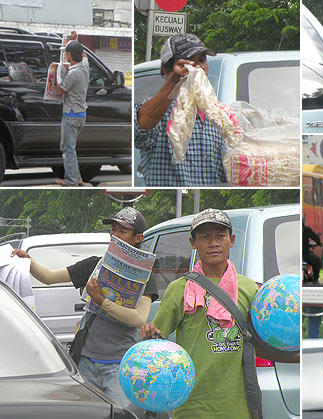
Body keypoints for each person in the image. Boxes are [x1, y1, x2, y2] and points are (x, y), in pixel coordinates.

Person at [140, 208, 298, 418]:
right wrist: (149, 338)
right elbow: (158, 347)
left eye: (220, 236)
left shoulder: (249, 289)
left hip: (237, 408)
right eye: (205, 237)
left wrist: (299, 356)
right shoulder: (180, 289)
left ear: (231, 240)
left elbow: (260, 346)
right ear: (193, 243)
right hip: (191, 408)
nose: (213, 243)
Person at [11, 207, 158, 409]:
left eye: (122, 232)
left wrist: (101, 301)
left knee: (121, 414)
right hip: (85, 362)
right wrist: (29, 262)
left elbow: (139, 319)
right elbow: (49, 277)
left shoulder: (146, 276)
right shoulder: (94, 265)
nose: (114, 236)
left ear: (138, 237)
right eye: (112, 230)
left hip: (120, 366)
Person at [134, 34, 227, 186]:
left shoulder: (218, 114)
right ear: (166, 71)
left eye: (202, 60)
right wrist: (175, 81)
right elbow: (141, 126)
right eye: (190, 62)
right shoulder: (159, 113)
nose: (199, 68)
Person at [54, 40, 90, 187]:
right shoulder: (85, 66)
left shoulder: (73, 73)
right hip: (81, 114)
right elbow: (85, 54)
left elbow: (61, 90)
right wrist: (75, 39)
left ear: (69, 55)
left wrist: (55, 73)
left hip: (71, 114)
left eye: (66, 53)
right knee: (69, 147)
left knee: (68, 149)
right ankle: (78, 178)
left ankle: (72, 181)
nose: (65, 56)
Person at [302, 216, 323, 284]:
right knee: (317, 261)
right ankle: (315, 280)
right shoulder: (306, 229)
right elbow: (315, 237)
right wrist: (319, 243)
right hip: (304, 254)